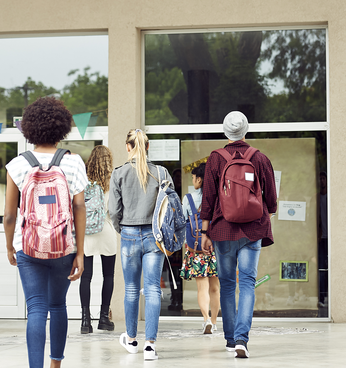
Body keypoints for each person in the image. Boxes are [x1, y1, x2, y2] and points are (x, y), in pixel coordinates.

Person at [3, 96, 87, 368]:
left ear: (28, 129)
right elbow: (79, 208)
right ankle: (56, 364)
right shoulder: (73, 163)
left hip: (28, 246)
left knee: (36, 307)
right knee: (58, 305)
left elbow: (9, 215)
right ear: (61, 127)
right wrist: (81, 253)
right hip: (65, 246)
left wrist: (9, 246)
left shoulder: (17, 164)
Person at [200, 111, 277, 359]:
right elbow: (272, 198)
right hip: (253, 229)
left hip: (223, 230)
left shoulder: (215, 158)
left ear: (225, 132)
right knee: (247, 283)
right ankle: (243, 339)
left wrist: (204, 231)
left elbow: (208, 198)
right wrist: (268, 212)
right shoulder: (260, 158)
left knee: (227, 285)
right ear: (245, 131)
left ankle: (231, 339)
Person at [108, 128, 175, 361]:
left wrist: (122, 230)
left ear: (128, 147)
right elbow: (172, 208)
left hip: (128, 234)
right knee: (153, 289)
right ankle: (150, 346)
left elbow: (113, 211)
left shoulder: (119, 174)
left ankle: (132, 340)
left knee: (131, 289)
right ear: (147, 147)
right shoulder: (161, 172)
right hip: (154, 236)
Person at [79, 145, 117, 334]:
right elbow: (117, 211)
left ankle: (85, 320)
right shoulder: (113, 182)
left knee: (86, 277)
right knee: (108, 276)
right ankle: (104, 318)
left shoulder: (84, 182)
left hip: (87, 233)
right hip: (107, 231)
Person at [179, 163, 220, 334]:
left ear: (199, 179)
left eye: (194, 178)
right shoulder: (218, 198)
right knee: (215, 287)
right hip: (215, 246)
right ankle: (215, 321)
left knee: (202, 287)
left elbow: (181, 222)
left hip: (196, 248)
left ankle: (206, 320)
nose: (193, 181)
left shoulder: (188, 199)